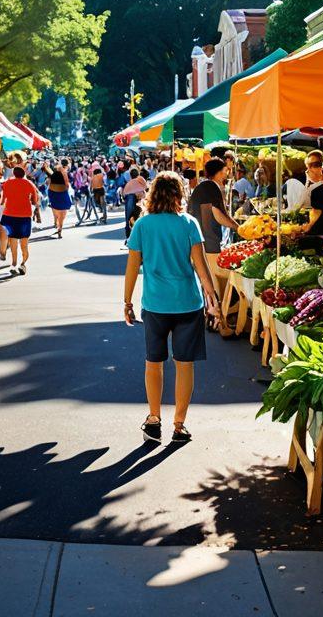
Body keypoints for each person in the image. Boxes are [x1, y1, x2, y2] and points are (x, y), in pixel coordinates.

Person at [123, 171, 220, 445]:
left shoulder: (143, 225)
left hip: (155, 304)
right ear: (180, 195)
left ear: (153, 194)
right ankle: (180, 425)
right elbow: (201, 267)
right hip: (188, 303)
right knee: (184, 364)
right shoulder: (189, 223)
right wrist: (213, 296)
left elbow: (132, 267)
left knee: (153, 362)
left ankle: (154, 419)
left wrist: (127, 301)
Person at [188, 158, 239, 277]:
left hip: (199, 242)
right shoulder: (211, 187)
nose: (227, 174)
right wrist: (238, 227)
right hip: (208, 244)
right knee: (214, 282)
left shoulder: (203, 187)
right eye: (225, 170)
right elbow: (218, 214)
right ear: (220, 172)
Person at [1, 164, 40, 275]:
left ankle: (13, 264)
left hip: (10, 215)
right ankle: (23, 263)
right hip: (24, 216)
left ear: (14, 174)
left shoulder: (7, 183)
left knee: (13, 241)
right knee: (24, 243)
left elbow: (3, 200)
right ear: (24, 174)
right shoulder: (29, 184)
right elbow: (35, 201)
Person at [47, 159, 72, 238]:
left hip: (52, 191)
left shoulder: (55, 170)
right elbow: (67, 184)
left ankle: (56, 223)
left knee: (55, 209)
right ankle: (59, 228)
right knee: (62, 213)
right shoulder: (64, 171)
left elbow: (49, 182)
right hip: (61, 193)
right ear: (67, 165)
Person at [122, 167, 148, 240]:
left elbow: (124, 194)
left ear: (130, 176)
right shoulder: (141, 179)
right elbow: (146, 188)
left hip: (130, 199)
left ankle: (128, 237)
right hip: (140, 200)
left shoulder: (129, 183)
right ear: (138, 174)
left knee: (128, 218)